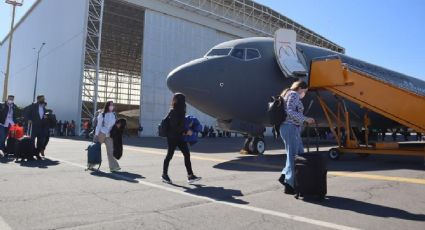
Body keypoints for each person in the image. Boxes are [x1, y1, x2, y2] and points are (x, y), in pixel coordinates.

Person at [278, 81, 315, 194]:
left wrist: (304, 119)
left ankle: (286, 178)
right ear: (300, 88)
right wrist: (305, 119)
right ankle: (291, 185)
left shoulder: (287, 93)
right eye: (305, 91)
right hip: (290, 128)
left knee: (298, 154)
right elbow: (289, 111)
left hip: (290, 128)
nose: (305, 93)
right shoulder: (293, 94)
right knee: (294, 156)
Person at [162, 93, 201, 184]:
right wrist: (186, 131)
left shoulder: (180, 111)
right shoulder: (174, 111)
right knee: (169, 155)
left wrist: (187, 127)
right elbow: (175, 126)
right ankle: (164, 174)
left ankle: (190, 176)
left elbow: (180, 124)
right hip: (172, 137)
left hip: (179, 137)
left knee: (186, 154)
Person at [93, 101, 120, 172]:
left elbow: (115, 125)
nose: (112, 106)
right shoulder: (102, 114)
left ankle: (113, 167)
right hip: (102, 133)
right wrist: (96, 135)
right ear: (107, 106)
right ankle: (91, 164)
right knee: (96, 149)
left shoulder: (114, 115)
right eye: (110, 105)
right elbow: (98, 126)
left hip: (109, 135)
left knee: (110, 152)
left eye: (112, 105)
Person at [24, 95, 47, 160]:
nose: (43, 100)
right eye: (42, 99)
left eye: (44, 99)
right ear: (38, 99)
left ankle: (37, 154)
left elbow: (44, 117)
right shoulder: (32, 106)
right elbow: (25, 113)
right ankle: (30, 155)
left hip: (41, 127)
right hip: (33, 127)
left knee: (41, 141)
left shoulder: (44, 108)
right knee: (32, 141)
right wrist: (28, 119)